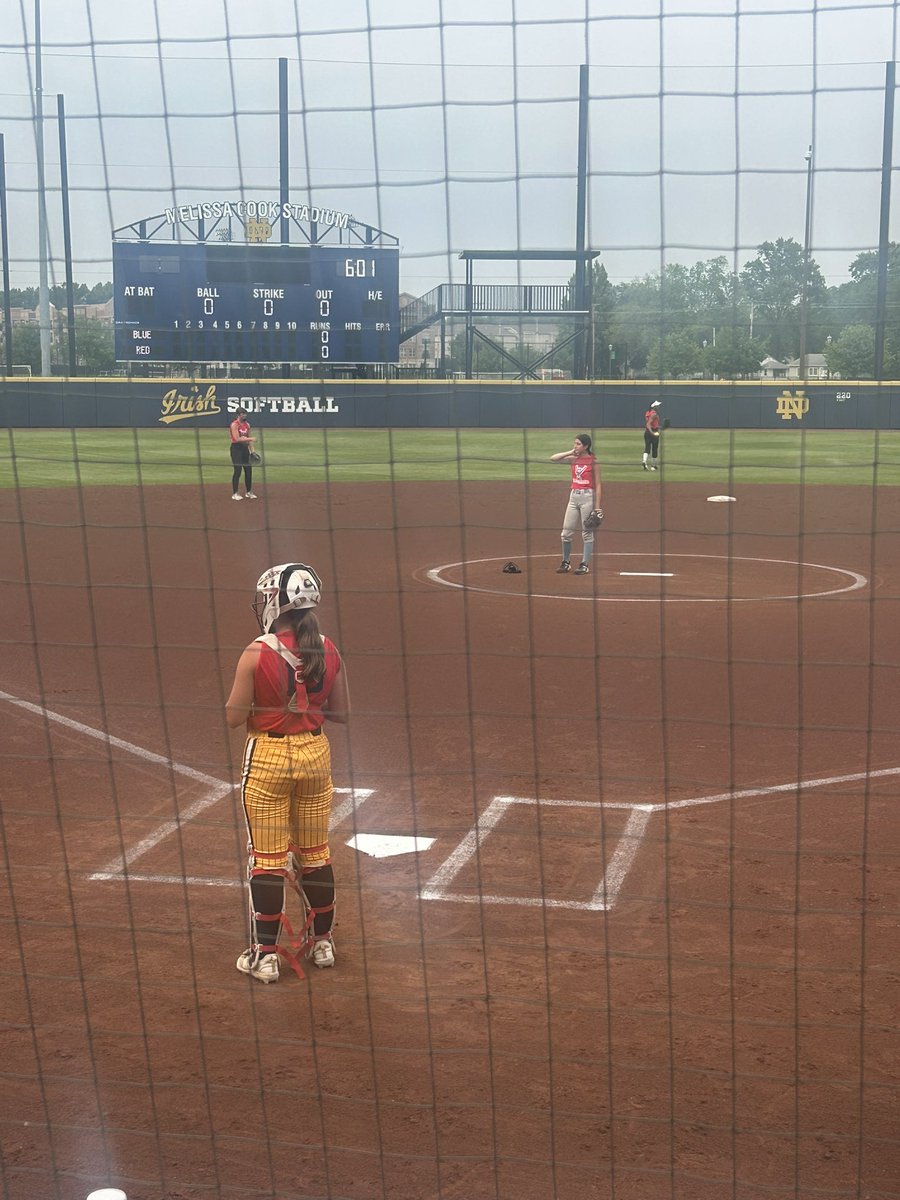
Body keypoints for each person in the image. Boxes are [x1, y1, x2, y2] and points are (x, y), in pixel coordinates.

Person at [225, 563, 350, 983]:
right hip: (315, 755)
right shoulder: (328, 649)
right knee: (315, 854)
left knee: (267, 860)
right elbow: (341, 714)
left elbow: (233, 716)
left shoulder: (256, 650)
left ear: (276, 603)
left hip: (269, 760)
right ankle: (324, 943)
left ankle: (265, 956)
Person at [550, 433, 601, 576]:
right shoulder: (573, 459)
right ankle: (566, 562)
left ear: (586, 446)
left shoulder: (594, 462)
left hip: (588, 498)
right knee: (566, 533)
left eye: (578, 444)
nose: (575, 446)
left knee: (587, 533)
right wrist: (570, 452)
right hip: (573, 498)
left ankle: (584, 564)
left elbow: (598, 486)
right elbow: (553, 458)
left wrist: (597, 507)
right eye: (575, 443)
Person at [229, 407, 257, 500]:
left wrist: (253, 451)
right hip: (236, 449)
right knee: (237, 470)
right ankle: (235, 493)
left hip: (245, 449)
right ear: (238, 415)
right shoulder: (234, 425)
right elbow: (237, 439)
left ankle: (249, 492)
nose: (245, 415)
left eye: (245, 414)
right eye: (243, 414)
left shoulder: (247, 425)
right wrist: (251, 439)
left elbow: (249, 440)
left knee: (248, 470)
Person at [643, 399, 662, 470]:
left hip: (647, 432)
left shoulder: (648, 412)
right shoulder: (654, 414)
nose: (659, 407)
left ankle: (644, 461)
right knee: (654, 448)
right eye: (658, 406)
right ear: (654, 407)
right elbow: (648, 424)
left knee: (647, 448)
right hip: (653, 431)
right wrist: (652, 432)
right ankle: (653, 466)